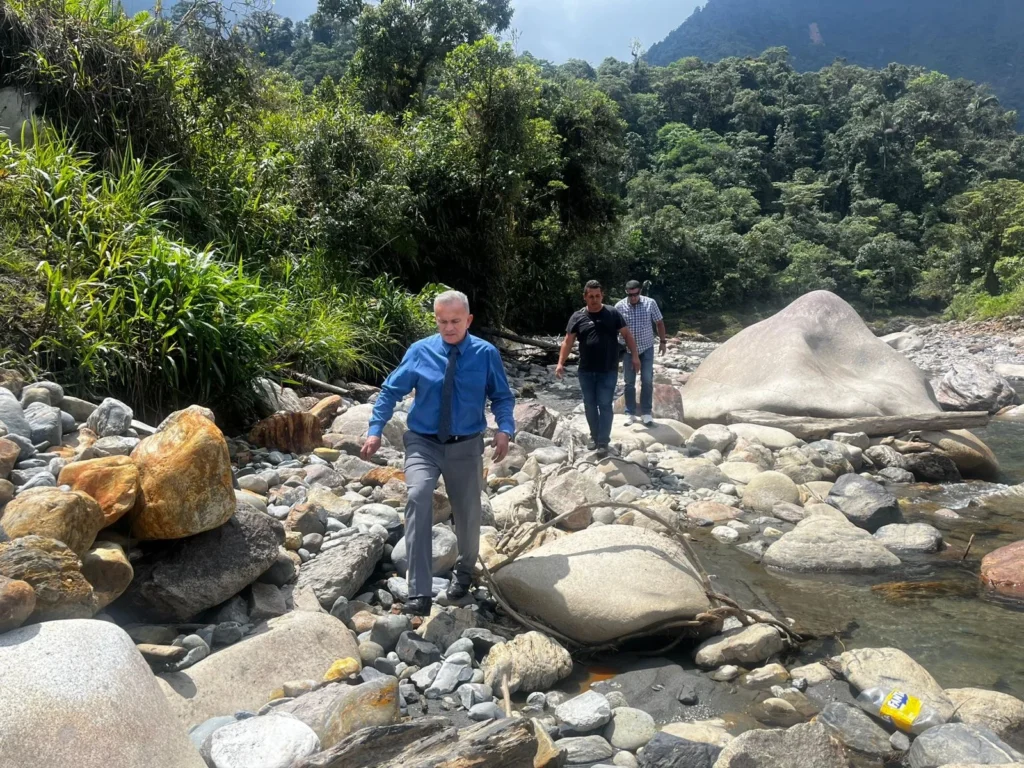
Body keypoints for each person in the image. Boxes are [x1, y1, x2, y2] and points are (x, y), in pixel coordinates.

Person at [362, 290, 516, 616]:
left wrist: (504, 429)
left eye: (455, 321)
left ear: (469, 320)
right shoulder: (420, 351)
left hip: (466, 445)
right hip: (423, 442)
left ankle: (464, 573)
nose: (448, 328)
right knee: (418, 496)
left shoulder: (485, 354)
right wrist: (375, 430)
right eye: (442, 321)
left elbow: (502, 396)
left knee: (468, 512)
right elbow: (390, 391)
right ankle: (419, 591)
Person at [556, 280, 641, 453]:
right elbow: (568, 341)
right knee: (589, 404)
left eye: (597, 296)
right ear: (585, 297)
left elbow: (627, 335)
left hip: (608, 369)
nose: (594, 300)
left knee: (605, 404)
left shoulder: (612, 313)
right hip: (586, 369)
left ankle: (603, 442)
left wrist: (635, 356)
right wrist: (560, 363)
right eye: (591, 296)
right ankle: (594, 437)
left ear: (602, 296)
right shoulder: (577, 317)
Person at [615, 279, 667, 425]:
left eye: (635, 294)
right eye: (630, 295)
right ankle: (630, 413)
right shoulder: (619, 306)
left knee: (647, 380)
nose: (633, 298)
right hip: (627, 349)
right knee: (629, 382)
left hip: (646, 347)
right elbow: (613, 328)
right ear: (626, 293)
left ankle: (646, 412)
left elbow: (659, 322)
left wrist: (663, 342)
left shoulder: (650, 303)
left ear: (640, 292)